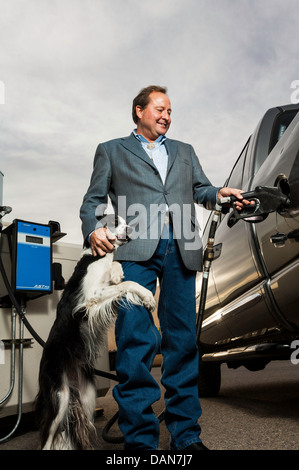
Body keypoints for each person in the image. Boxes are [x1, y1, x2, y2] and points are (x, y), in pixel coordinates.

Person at [80, 85, 249, 450]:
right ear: (139, 111)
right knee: (136, 341)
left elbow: (201, 189)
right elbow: (93, 200)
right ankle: (140, 441)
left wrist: (220, 193)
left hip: (182, 249)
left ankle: (186, 438)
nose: (167, 116)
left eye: (170, 111)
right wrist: (95, 228)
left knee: (183, 343)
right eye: (160, 109)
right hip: (136, 252)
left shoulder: (184, 152)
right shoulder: (110, 150)